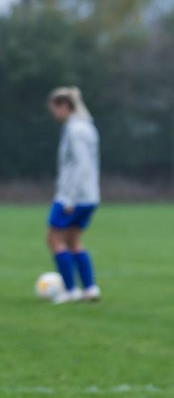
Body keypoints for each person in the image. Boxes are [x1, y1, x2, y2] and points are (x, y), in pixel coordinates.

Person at [46, 86, 101, 304]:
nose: (53, 113)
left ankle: (70, 290)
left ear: (64, 106)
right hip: (90, 196)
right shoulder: (88, 127)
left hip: (73, 196)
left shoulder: (75, 130)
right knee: (74, 240)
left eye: (54, 108)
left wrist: (69, 198)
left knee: (54, 239)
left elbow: (81, 165)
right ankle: (90, 288)